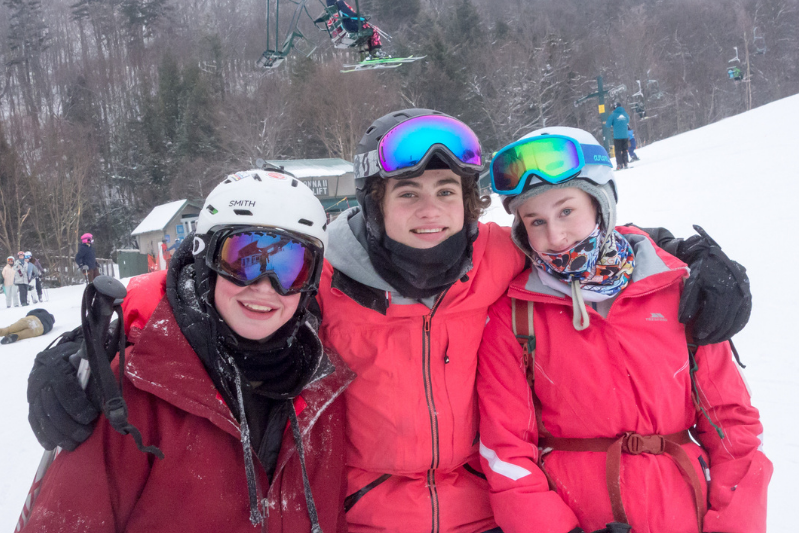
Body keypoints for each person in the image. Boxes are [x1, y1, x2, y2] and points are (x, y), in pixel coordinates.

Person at [26, 111, 753, 533]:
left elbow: (578, 240)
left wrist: (695, 258)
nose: (430, 209)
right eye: (408, 192)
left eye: (447, 191)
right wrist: (101, 329)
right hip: (367, 516)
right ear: (374, 201)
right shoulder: (323, 277)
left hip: (479, 515)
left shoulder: (494, 256)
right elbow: (219, 284)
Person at [21, 170, 352, 532]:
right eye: (243, 260)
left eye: (290, 268)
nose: (264, 287)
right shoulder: (132, 394)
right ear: (204, 259)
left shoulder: (322, 395)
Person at [477, 127, 771, 533]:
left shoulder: (676, 289)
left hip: (686, 509)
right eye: (535, 221)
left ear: (601, 206)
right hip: (579, 513)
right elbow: (506, 448)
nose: (555, 237)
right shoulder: (516, 315)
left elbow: (731, 424)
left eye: (566, 211)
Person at [606, 103, 630, 170]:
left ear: (614, 108)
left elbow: (608, 124)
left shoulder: (613, 115)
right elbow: (628, 120)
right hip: (625, 135)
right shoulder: (625, 114)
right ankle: (625, 163)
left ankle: (619, 164)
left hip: (617, 136)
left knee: (618, 150)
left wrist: (613, 124)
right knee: (624, 149)